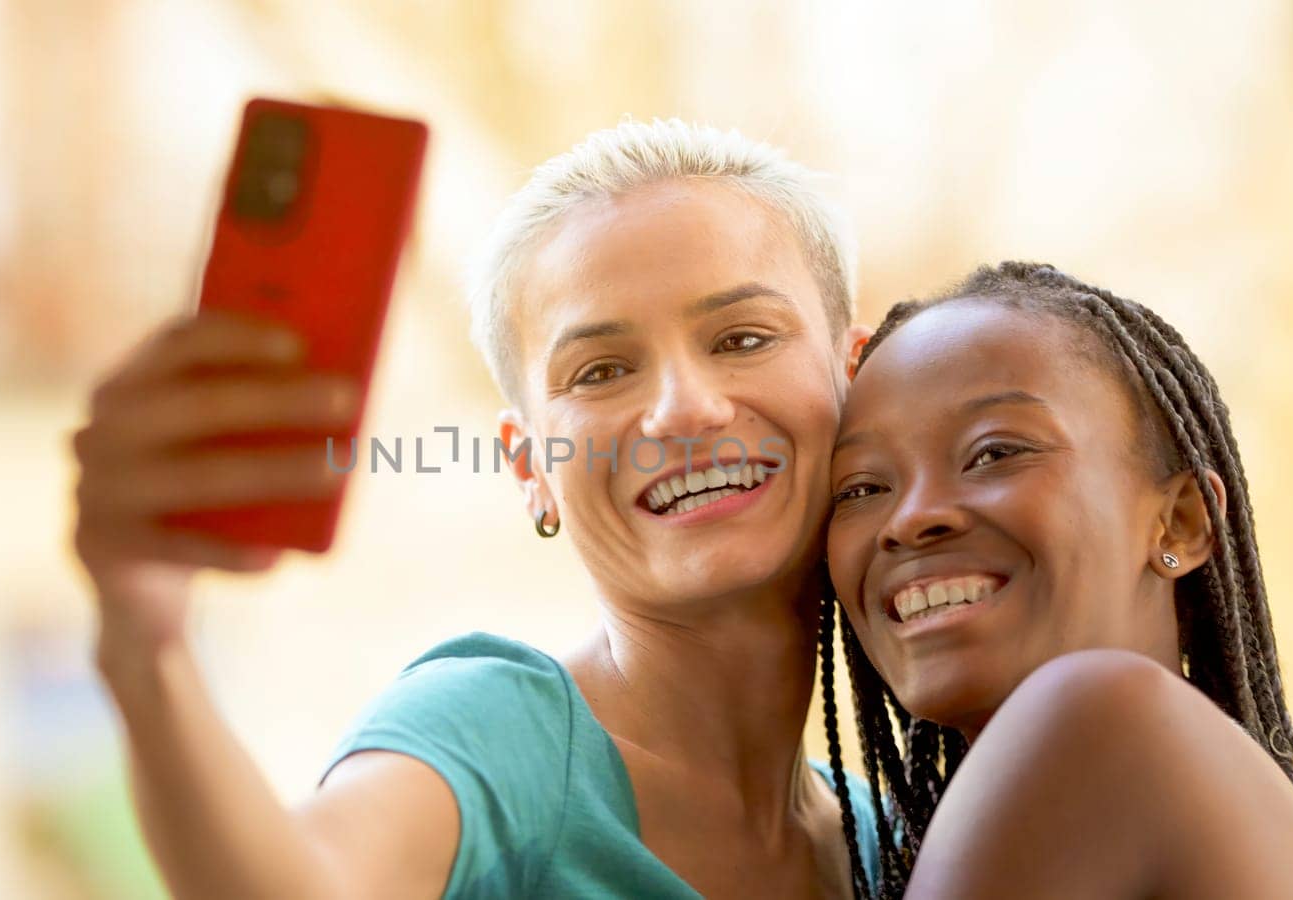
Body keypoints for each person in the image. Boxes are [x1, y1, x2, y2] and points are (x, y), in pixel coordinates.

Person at [71, 119, 884, 898]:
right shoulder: (500, 740)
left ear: (863, 379)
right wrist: (150, 648)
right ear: (531, 466)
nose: (681, 408)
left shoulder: (897, 837)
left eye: (741, 339)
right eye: (600, 371)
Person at [817, 261, 1293, 898]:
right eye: (862, 488)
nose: (910, 520)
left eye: (995, 453)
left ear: (1179, 523)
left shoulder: (1094, 709)